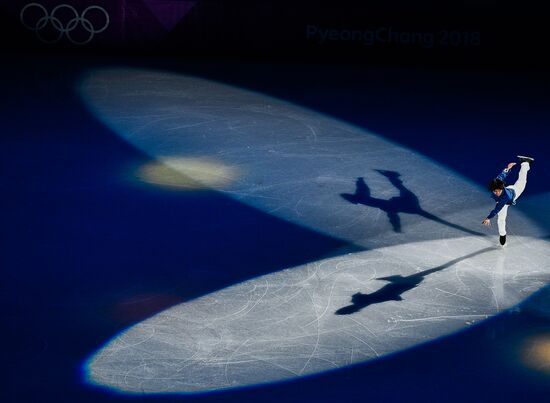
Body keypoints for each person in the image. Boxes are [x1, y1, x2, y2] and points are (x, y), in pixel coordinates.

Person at [482, 156, 534, 245]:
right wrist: (508, 168)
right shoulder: (497, 184)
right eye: (495, 191)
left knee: (522, 180)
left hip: (514, 192)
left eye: (498, 191)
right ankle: (503, 235)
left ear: (501, 188)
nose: (496, 193)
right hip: (505, 196)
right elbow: (501, 176)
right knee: (501, 220)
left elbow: (496, 209)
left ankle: (525, 163)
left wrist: (488, 218)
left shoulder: (505, 197)